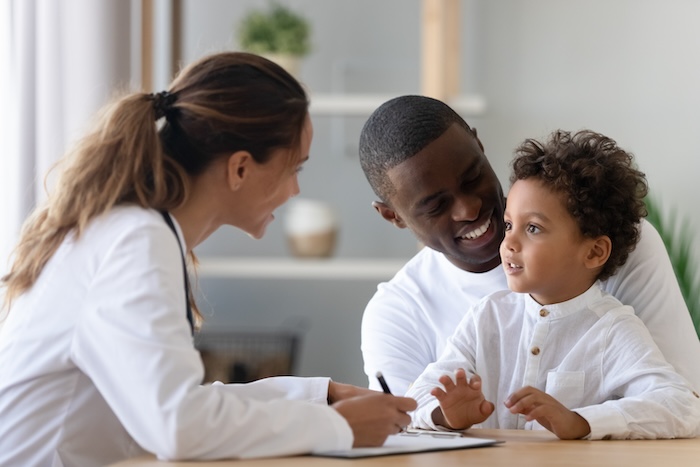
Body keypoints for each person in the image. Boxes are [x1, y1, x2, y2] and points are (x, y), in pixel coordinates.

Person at [0, 52, 416, 466]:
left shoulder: (132, 231)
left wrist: (320, 396)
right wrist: (338, 428)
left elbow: (179, 402)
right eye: (295, 169)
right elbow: (179, 426)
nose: (295, 192)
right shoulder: (135, 242)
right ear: (239, 169)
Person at [359, 95, 700, 397]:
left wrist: (577, 424)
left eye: (472, 178)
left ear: (480, 147)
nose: (469, 209)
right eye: (436, 206)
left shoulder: (613, 238)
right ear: (393, 216)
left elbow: (684, 402)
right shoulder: (398, 313)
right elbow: (409, 436)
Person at [405, 129, 700, 439]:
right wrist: (446, 414)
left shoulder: (613, 329)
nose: (509, 243)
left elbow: (682, 407)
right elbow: (416, 399)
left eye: (533, 228)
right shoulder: (487, 317)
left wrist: (580, 422)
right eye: (509, 225)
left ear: (594, 251)